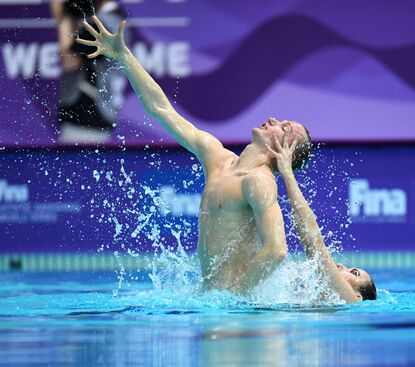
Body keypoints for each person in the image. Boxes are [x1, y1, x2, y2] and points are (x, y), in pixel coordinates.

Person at [77, 16, 312, 295]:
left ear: (282, 150)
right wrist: (123, 56)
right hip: (216, 307)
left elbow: (277, 251)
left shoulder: (259, 181)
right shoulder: (217, 157)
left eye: (282, 127)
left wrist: (237, 298)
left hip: (235, 321)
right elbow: (161, 109)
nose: (273, 119)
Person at [267, 132, 377, 302]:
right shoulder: (319, 301)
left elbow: (314, 244)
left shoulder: (351, 300)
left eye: (354, 273)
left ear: (358, 296)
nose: (341, 266)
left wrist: (287, 172)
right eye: (352, 269)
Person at [51, 0, 127, 144]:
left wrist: (63, 18)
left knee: (77, 165)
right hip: (99, 111)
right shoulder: (115, 18)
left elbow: (69, 60)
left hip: (88, 114)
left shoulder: (101, 24)